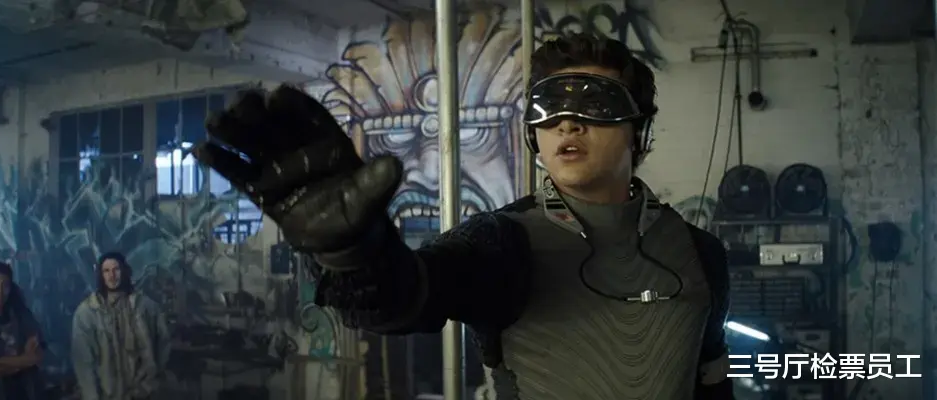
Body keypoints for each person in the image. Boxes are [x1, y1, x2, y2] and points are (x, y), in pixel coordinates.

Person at [193, 32, 733, 400]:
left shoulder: (701, 254)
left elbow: (711, 379)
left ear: (640, 131)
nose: (567, 124)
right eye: (548, 109)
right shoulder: (504, 242)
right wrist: (352, 252)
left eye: (594, 105)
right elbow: (406, 297)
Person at [71, 252, 171, 400]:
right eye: (106, 271)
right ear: (100, 275)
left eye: (116, 269)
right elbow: (83, 363)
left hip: (143, 394)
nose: (112, 275)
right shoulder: (87, 313)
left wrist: (152, 381)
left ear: (124, 271)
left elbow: (163, 343)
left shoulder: (145, 307)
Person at [0, 260, 46, 400]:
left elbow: (36, 357)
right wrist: (23, 362)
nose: (0, 291)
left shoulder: (21, 314)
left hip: (26, 392)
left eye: (5, 285)